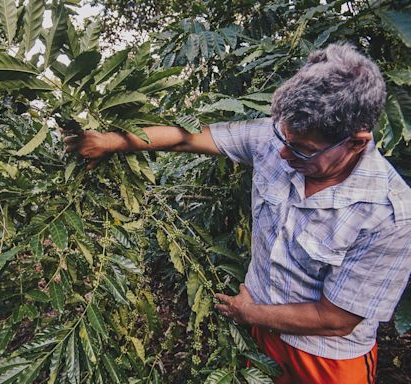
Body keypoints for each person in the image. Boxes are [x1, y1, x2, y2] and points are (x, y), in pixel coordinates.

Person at [63, 43, 411, 383]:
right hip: (260, 331)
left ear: (355, 142)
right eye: (283, 138)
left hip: (325, 357)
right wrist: (114, 141)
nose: (283, 155)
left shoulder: (389, 214)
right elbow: (188, 138)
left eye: (302, 150)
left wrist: (250, 313)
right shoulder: (273, 138)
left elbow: (336, 319)